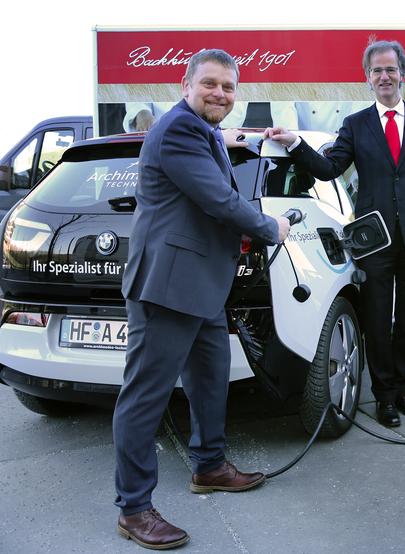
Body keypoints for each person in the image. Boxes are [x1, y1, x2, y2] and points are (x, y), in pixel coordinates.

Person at [113, 49, 290, 549]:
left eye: (229, 88)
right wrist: (269, 227)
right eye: (209, 84)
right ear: (186, 83)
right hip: (169, 286)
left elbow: (210, 155)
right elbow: (217, 198)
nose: (220, 94)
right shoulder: (178, 130)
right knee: (145, 396)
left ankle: (208, 466)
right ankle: (133, 508)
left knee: (210, 381)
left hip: (203, 288)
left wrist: (230, 138)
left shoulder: (199, 130)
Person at [265, 40, 405, 428]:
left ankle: (403, 391)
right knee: (379, 319)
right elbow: (329, 169)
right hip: (375, 239)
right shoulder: (355, 124)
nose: (384, 76)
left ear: (403, 72)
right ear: (367, 79)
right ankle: (383, 396)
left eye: (391, 69)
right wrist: (295, 144)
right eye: (377, 71)